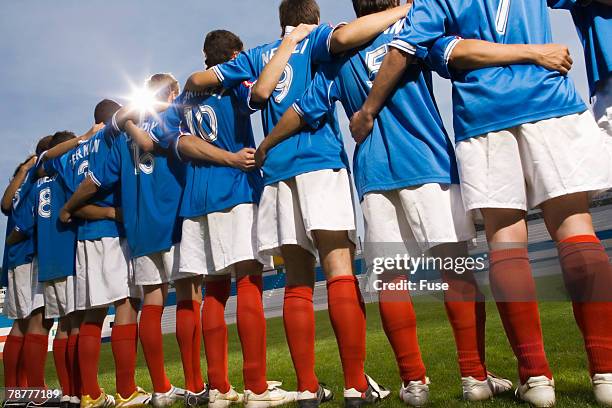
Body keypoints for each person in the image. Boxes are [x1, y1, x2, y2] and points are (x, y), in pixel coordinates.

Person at [350, 1, 612, 406]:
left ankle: (536, 378)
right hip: (548, 96)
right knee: (575, 228)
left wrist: (367, 111)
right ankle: (605, 373)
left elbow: (420, 48)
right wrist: (537, 50)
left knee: (506, 243)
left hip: (483, 112)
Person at [183, 1, 413, 405]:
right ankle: (355, 385)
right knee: (339, 269)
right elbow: (344, 37)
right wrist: (402, 10)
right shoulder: (317, 38)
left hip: (275, 176)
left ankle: (307, 388)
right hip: (319, 164)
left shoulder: (258, 54)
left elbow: (202, 79)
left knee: (297, 283)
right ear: (314, 19)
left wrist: (281, 45)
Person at [61, 75, 199, 407]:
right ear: (171, 92)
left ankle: (159, 388)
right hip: (173, 218)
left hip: (138, 230)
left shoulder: (121, 139)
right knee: (186, 297)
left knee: (148, 306)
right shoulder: (173, 116)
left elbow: (95, 180)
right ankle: (195, 385)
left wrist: (68, 209)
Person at [38, 100, 145, 408]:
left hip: (84, 237)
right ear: (111, 118)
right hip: (110, 233)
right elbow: (94, 181)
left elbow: (42, 159)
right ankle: (126, 390)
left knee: (93, 314)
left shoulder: (71, 153)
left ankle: (89, 393)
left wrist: (81, 137)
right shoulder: (110, 136)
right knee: (127, 303)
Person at [1, 136, 51, 392]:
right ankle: (36, 390)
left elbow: (5, 205)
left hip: (16, 257)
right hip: (31, 254)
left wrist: (22, 170)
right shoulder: (38, 179)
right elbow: (27, 218)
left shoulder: (22, 176)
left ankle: (14, 390)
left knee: (21, 323)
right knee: (39, 321)